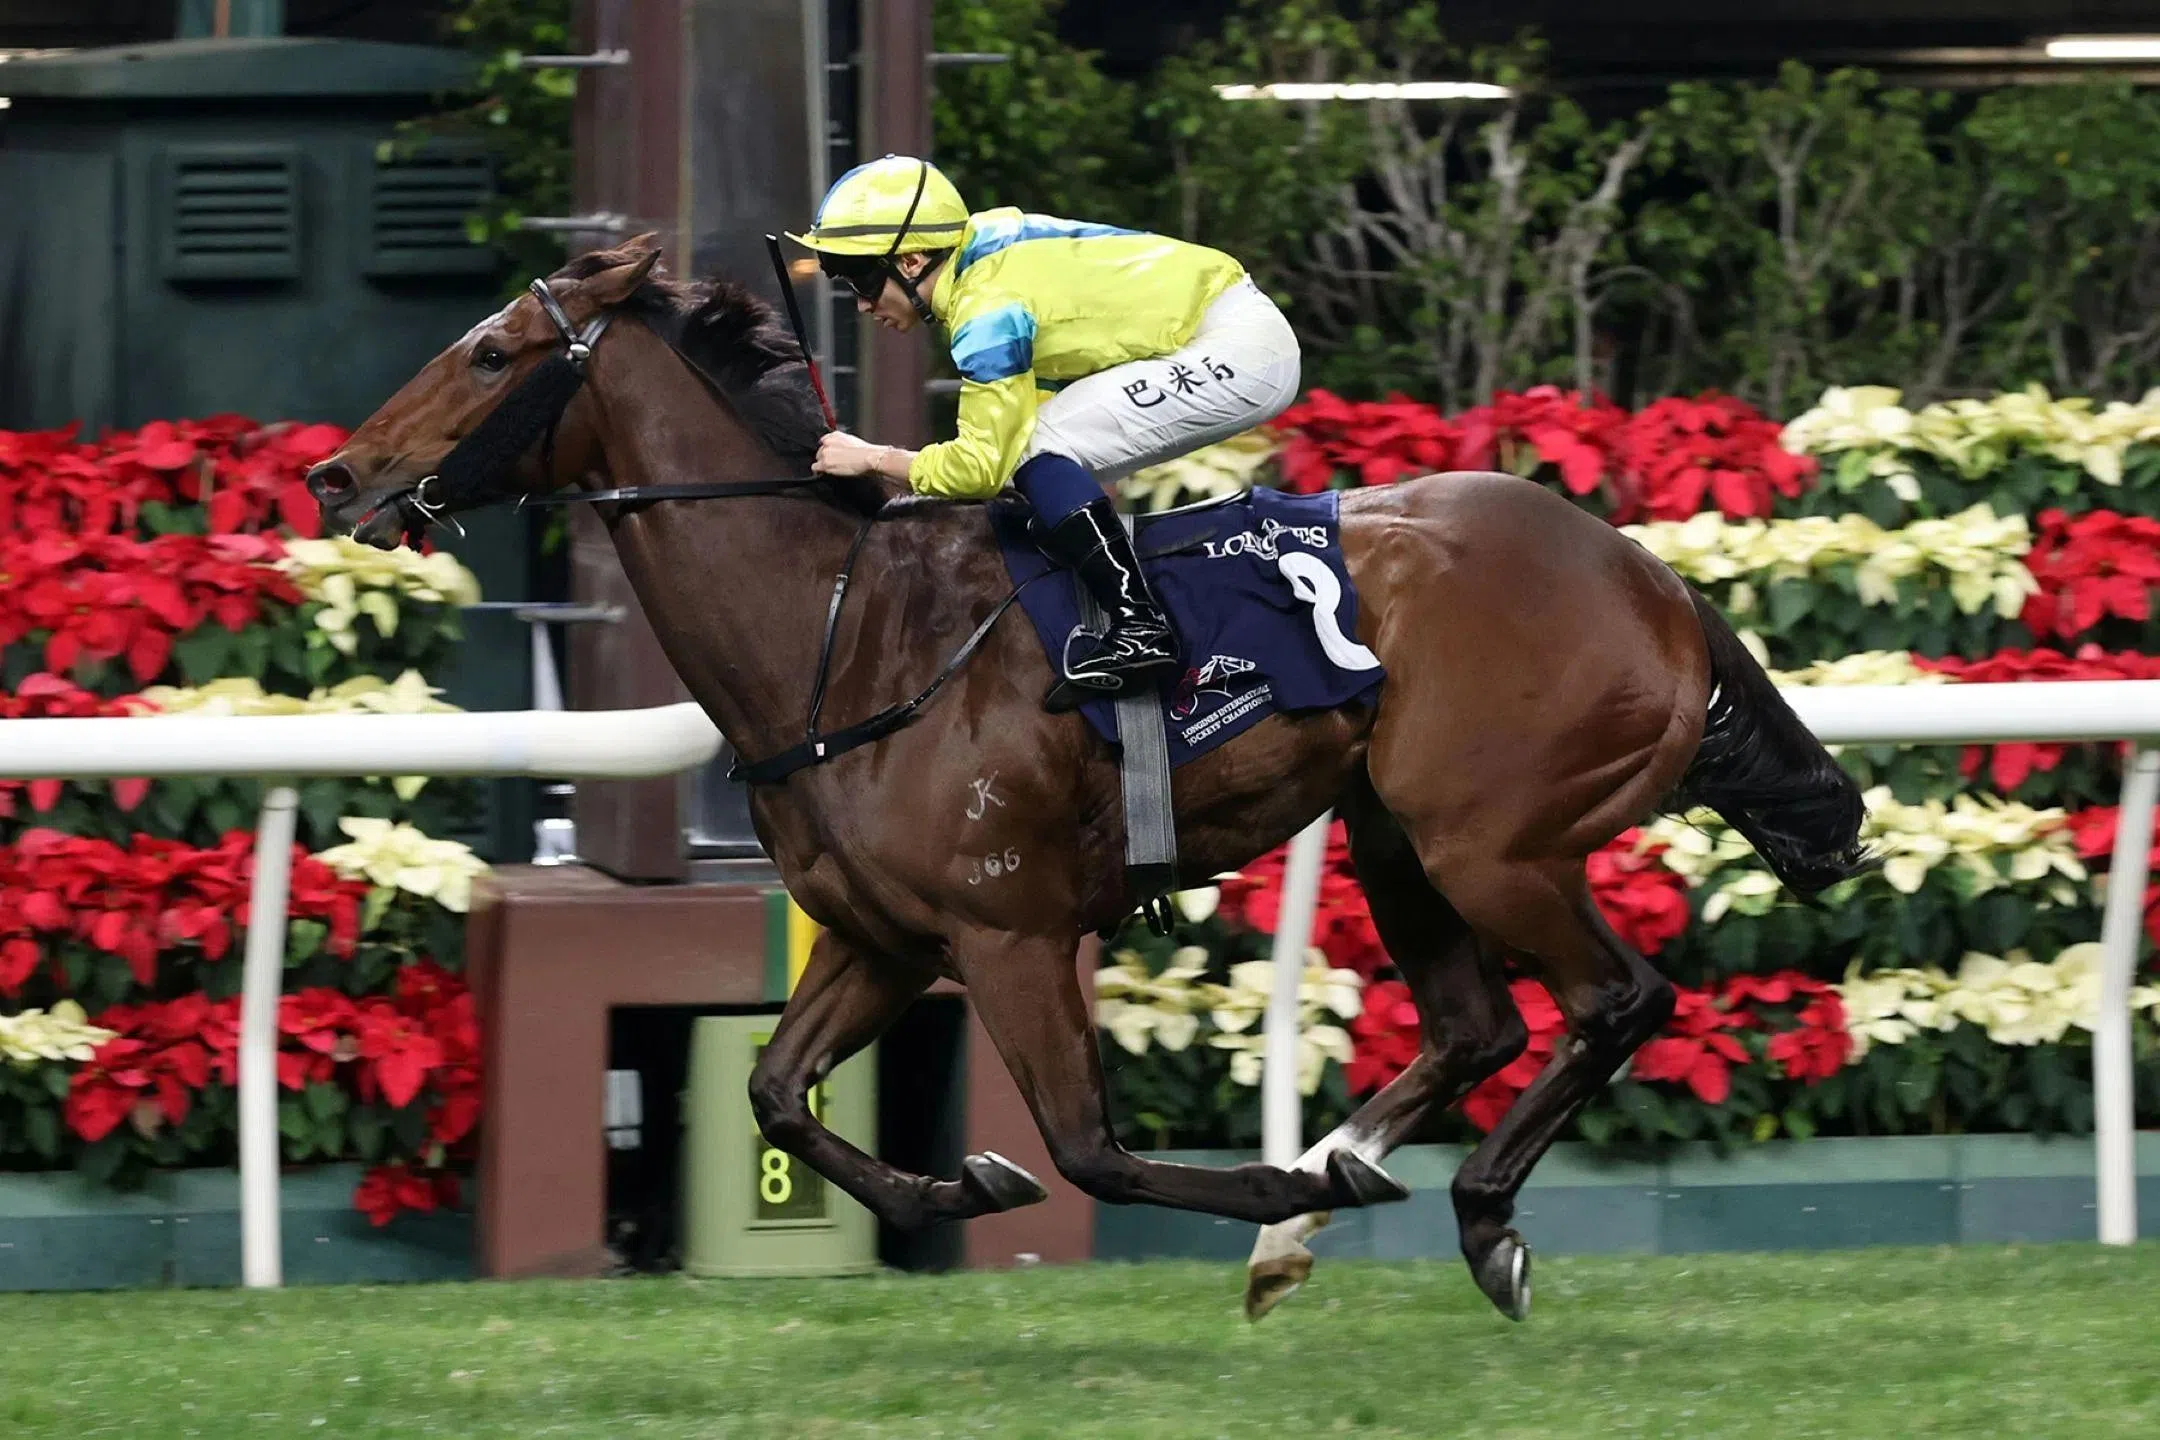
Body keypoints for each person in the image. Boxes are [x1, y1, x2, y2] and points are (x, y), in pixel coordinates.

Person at [786, 154, 1302, 712]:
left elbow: (981, 467)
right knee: (1034, 456)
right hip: (1230, 328)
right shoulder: (980, 253)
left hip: (1242, 351)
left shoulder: (986, 310)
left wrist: (873, 457)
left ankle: (1142, 627)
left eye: (864, 279)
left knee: (1034, 450)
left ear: (912, 261)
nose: (863, 304)